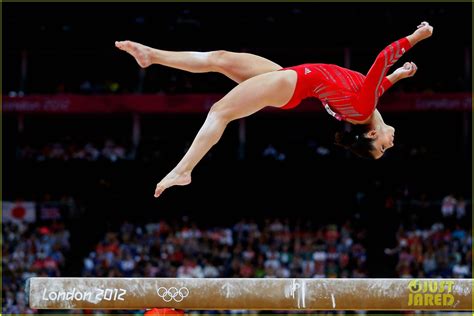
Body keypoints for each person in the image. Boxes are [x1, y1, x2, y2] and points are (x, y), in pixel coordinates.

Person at [115, 22, 433, 198]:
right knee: (219, 57)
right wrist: (398, 76)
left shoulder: (363, 107)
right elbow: (373, 85)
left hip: (291, 84)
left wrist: (415, 38)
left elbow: (379, 61)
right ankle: (151, 55)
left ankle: (183, 170)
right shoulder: (362, 106)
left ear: (373, 133)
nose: (390, 144)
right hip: (290, 78)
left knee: (219, 111)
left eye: (382, 147)